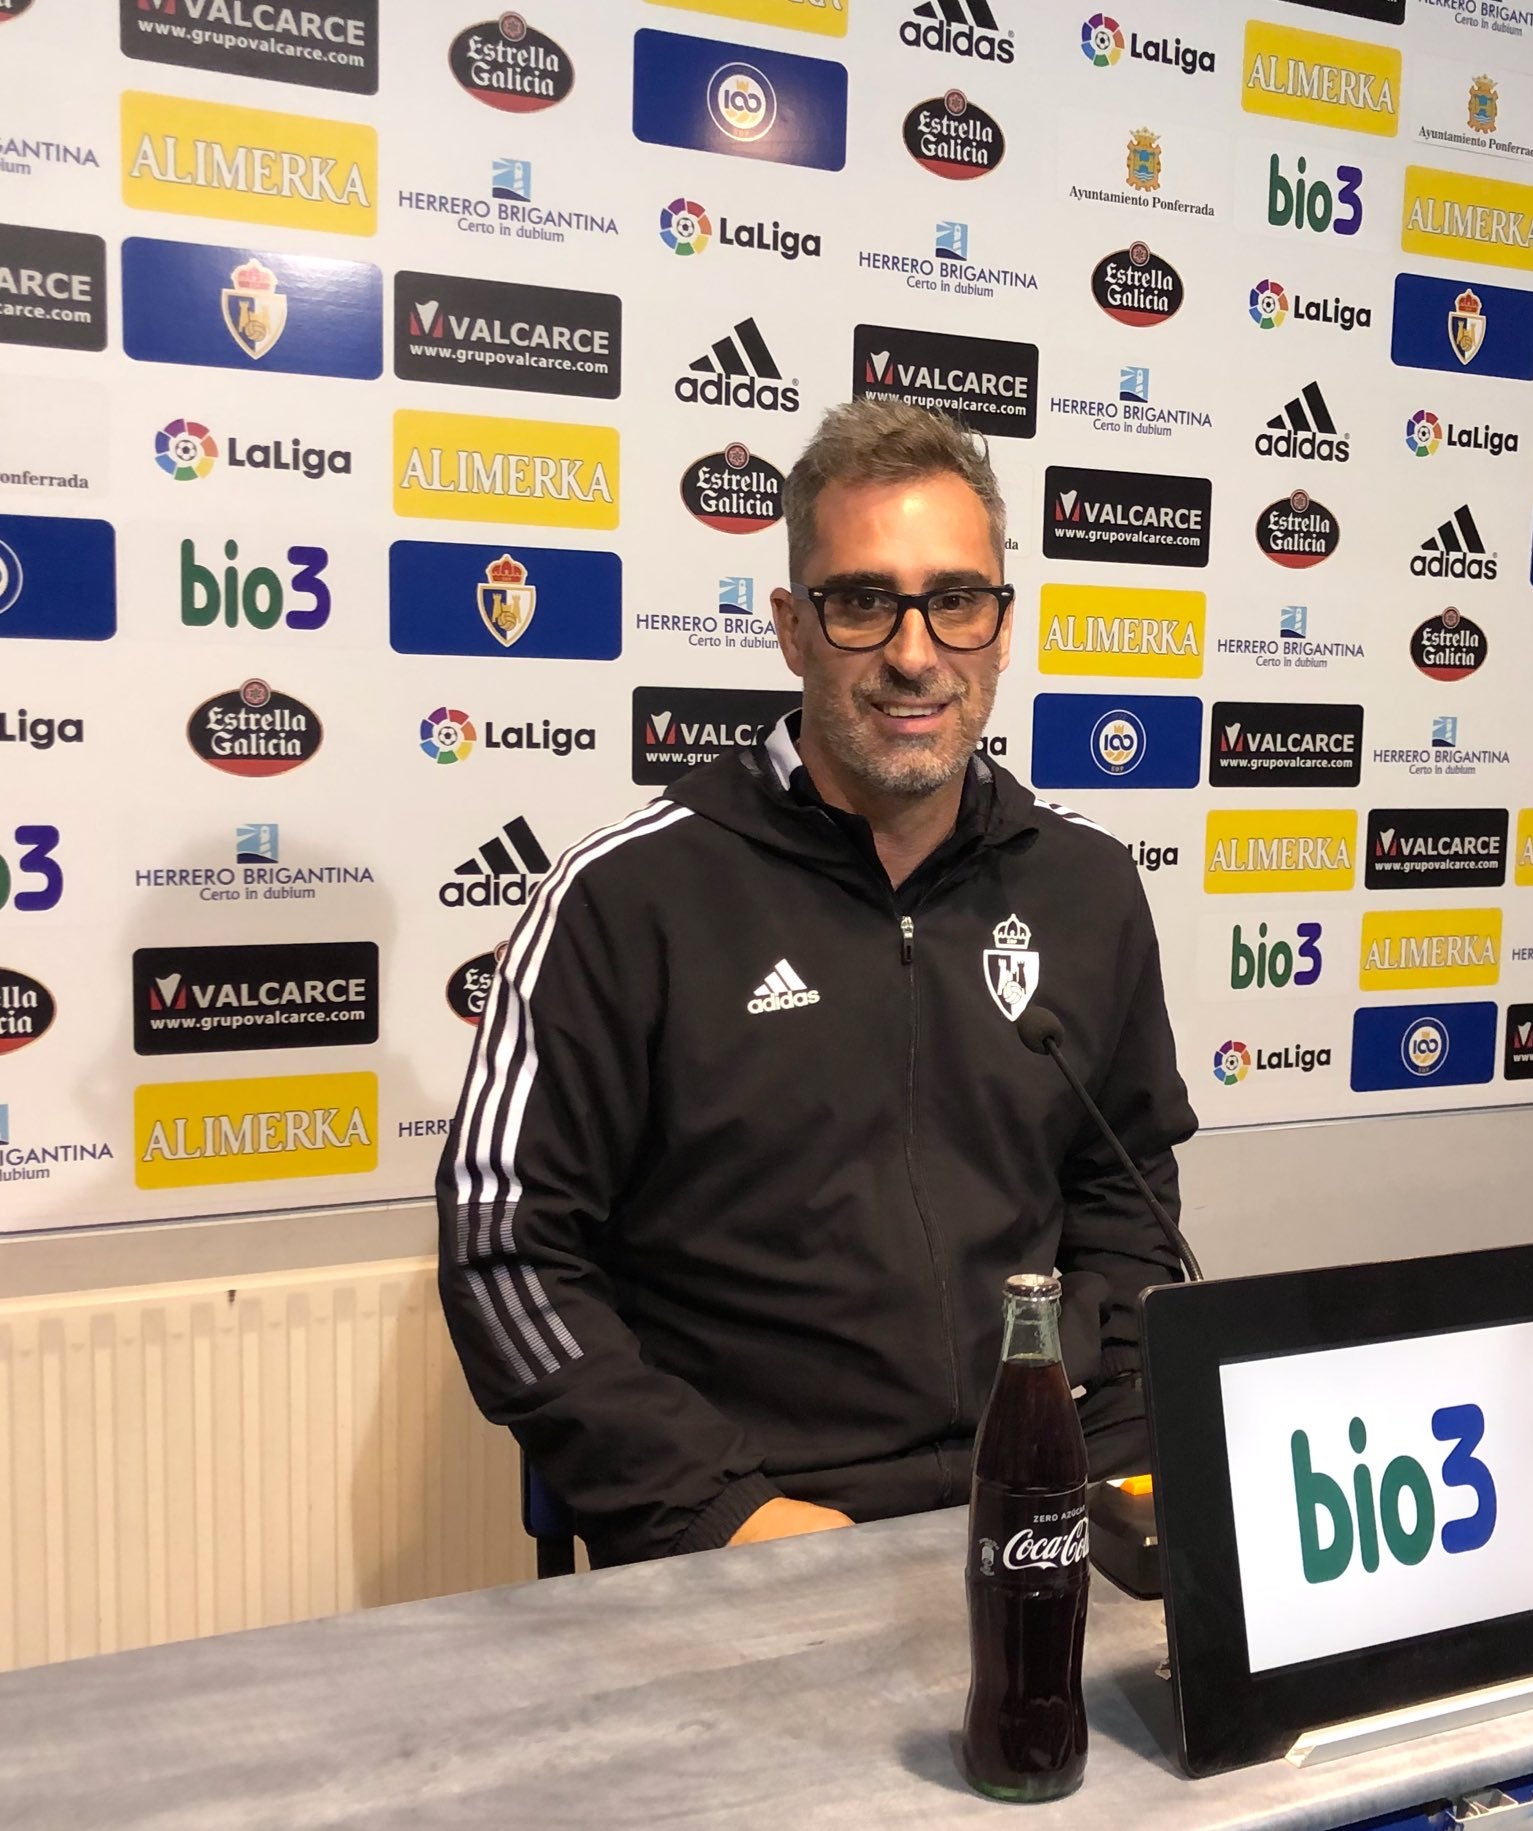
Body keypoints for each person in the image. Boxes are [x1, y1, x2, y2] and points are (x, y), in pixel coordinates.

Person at [436, 400, 1197, 1565]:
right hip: (765, 1522)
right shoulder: (624, 901)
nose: (912, 652)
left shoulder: (1084, 884)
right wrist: (715, 1513)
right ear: (791, 628)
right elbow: (508, 1252)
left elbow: (1127, 1201)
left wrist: (1129, 1443)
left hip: (1055, 1495)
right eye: (860, 603)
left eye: (954, 600)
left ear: (1000, 626)